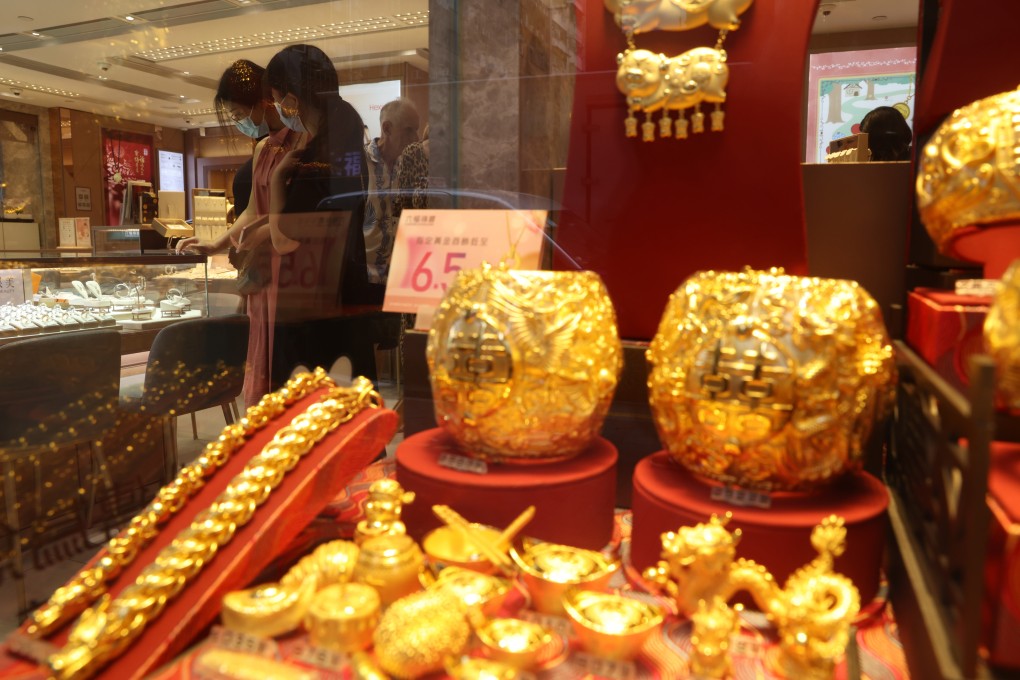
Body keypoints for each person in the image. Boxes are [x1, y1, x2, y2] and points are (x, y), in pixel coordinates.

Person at [176, 59, 300, 407]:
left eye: (237, 113)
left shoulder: (300, 142)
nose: (238, 123)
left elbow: (292, 213)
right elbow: (253, 208)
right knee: (260, 341)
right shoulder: (264, 148)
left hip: (287, 264)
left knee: (283, 350)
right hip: (262, 267)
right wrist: (215, 243)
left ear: (262, 102)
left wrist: (259, 234)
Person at [264, 43, 381, 388]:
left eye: (276, 98)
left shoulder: (319, 152)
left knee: (315, 416)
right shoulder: (345, 132)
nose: (277, 108)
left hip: (313, 302)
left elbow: (284, 240)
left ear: (292, 98)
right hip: (340, 291)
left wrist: (275, 183)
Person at [363, 98, 421, 284]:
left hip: (404, 276)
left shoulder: (413, 166)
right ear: (387, 128)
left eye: (416, 130)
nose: (417, 138)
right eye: (409, 130)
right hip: (365, 278)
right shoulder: (359, 163)